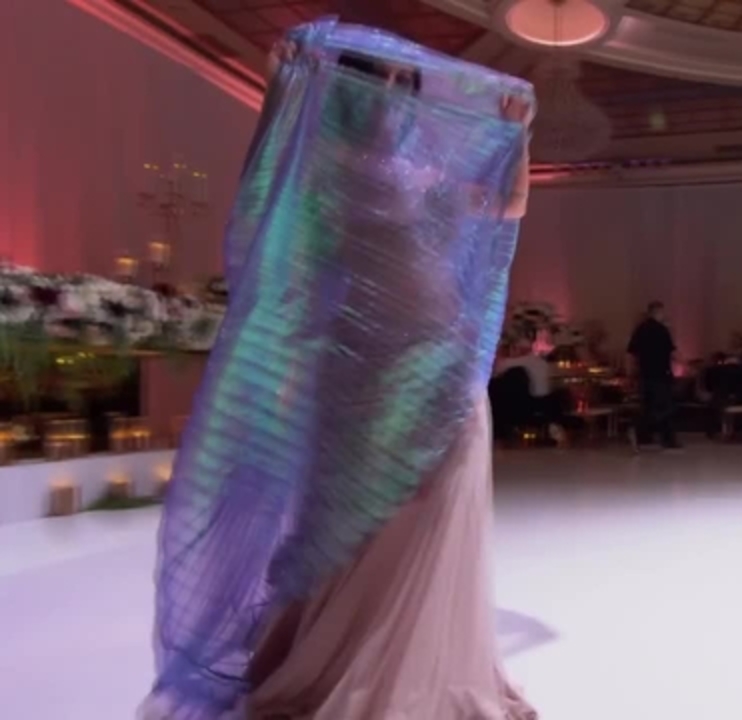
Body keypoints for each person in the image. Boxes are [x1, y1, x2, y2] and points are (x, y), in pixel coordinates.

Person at [141, 22, 536, 719]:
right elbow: (264, 194)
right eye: (380, 79)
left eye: (403, 81)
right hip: (364, 371)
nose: (394, 92)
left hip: (445, 367)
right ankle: (346, 666)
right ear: (350, 90)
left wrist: (517, 137)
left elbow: (506, 205)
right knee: (356, 521)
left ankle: (420, 670)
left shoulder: (432, 173)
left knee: (439, 514)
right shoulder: (325, 166)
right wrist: (279, 96)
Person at [626, 301, 680, 449]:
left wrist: (630, 373)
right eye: (662, 312)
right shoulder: (662, 330)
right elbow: (672, 352)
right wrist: (687, 365)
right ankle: (667, 439)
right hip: (661, 375)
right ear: (657, 312)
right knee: (666, 407)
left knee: (648, 406)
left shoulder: (640, 329)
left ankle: (644, 437)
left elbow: (631, 353)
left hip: (644, 375)